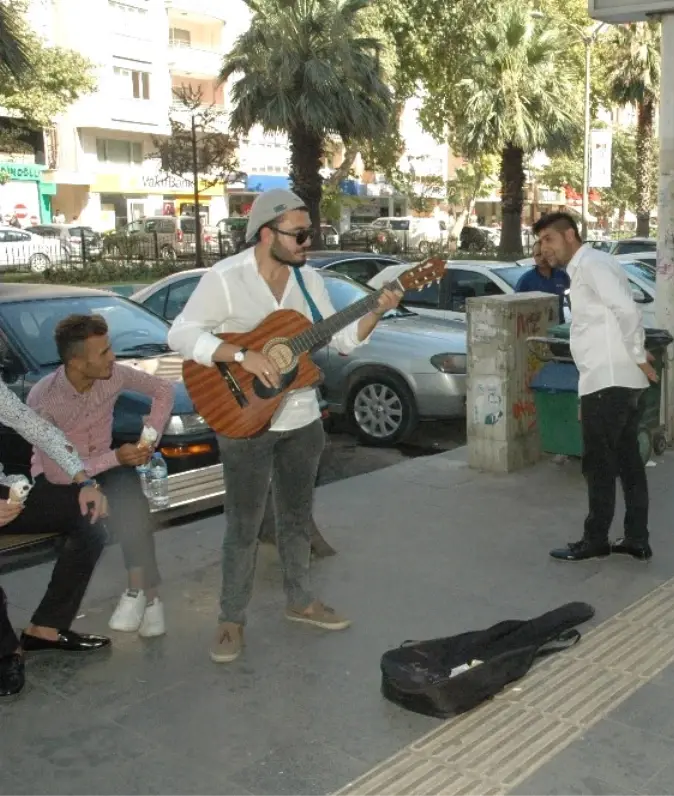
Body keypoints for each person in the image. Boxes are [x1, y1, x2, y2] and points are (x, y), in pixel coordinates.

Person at [168, 189, 401, 664]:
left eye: (309, 233)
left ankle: (301, 600)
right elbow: (181, 333)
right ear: (266, 232)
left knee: (297, 518)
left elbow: (341, 342)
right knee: (243, 525)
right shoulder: (227, 279)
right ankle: (230, 620)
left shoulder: (309, 281)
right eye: (299, 234)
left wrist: (376, 309)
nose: (307, 242)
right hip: (242, 416)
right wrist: (242, 355)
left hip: (300, 417)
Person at [27, 314, 173, 637]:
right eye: (104, 352)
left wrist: (150, 436)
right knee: (102, 508)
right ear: (77, 362)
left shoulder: (113, 376)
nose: (113, 358)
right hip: (56, 479)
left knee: (128, 489)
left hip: (104, 468)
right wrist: (115, 457)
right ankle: (151, 600)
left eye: (111, 349)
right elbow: (57, 470)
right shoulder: (45, 398)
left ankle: (138, 591)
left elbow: (163, 389)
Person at [533, 212, 656, 563]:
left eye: (549, 240)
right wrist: (634, 355)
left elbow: (627, 311)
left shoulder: (592, 266)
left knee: (599, 465)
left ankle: (596, 539)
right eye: (541, 242)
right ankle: (636, 538)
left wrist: (635, 354)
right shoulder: (590, 266)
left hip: (609, 380)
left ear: (570, 235)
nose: (544, 249)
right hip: (613, 379)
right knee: (628, 462)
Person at [0, 385, 109, 697]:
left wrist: (84, 480)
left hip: (4, 491)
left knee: (90, 516)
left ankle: (46, 627)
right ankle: (5, 649)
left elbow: (39, 429)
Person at [515, 240, 571, 322]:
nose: (542, 258)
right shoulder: (526, 280)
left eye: (545, 253)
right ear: (533, 257)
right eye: (538, 255)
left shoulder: (562, 276)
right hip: (536, 328)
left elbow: (572, 300)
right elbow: (516, 307)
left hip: (558, 328)